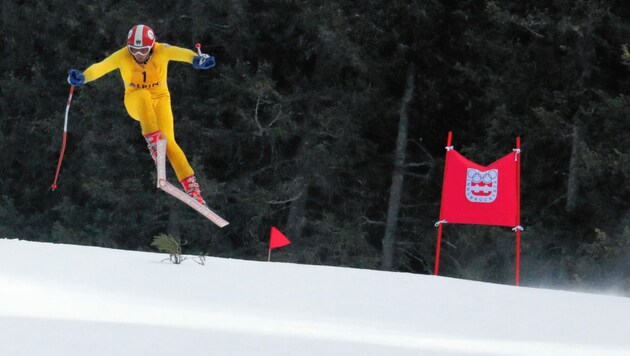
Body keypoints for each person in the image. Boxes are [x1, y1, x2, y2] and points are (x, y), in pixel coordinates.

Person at [67, 24, 215, 206]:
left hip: (160, 99)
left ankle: (193, 191)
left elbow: (181, 53)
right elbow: (101, 67)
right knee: (143, 95)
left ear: (152, 46)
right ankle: (153, 142)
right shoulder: (123, 56)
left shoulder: (162, 51)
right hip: (135, 101)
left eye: (143, 50)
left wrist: (196, 60)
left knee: (170, 142)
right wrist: (83, 77)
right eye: (134, 50)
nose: (138, 54)